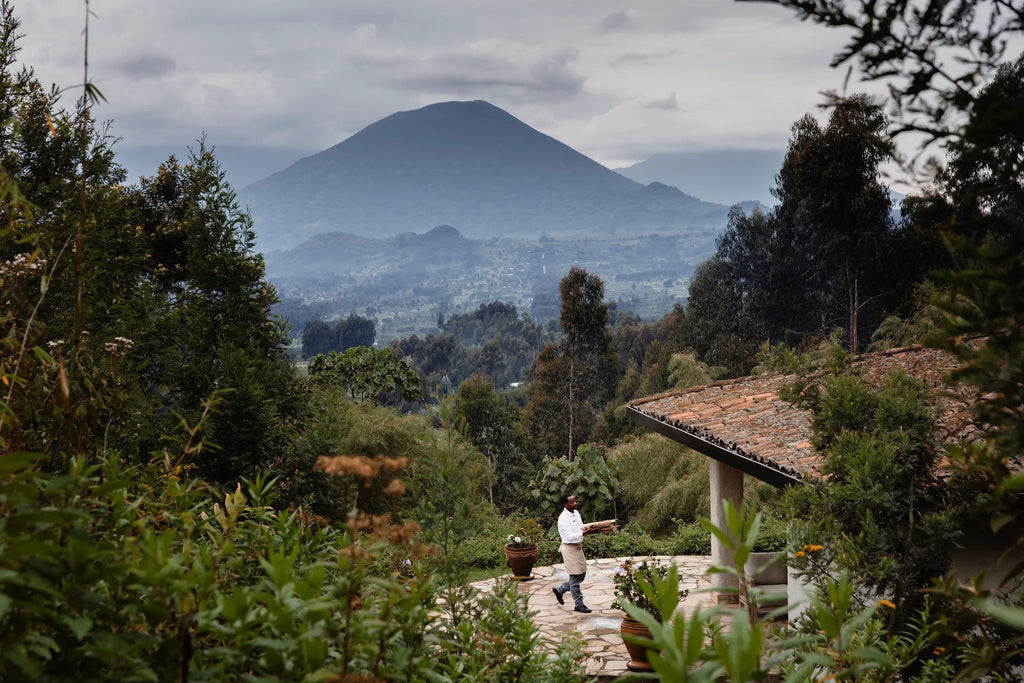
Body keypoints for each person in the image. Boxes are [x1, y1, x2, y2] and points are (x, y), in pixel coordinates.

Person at [552, 493, 594, 613]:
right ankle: (579, 604)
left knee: (582, 574)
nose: (575, 504)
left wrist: (590, 529)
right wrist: (583, 533)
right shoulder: (563, 519)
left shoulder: (576, 513)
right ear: (565, 504)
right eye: (572, 502)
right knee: (575, 577)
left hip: (577, 547)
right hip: (569, 548)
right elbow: (569, 537)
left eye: (575, 501)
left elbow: (580, 528)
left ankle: (560, 589)